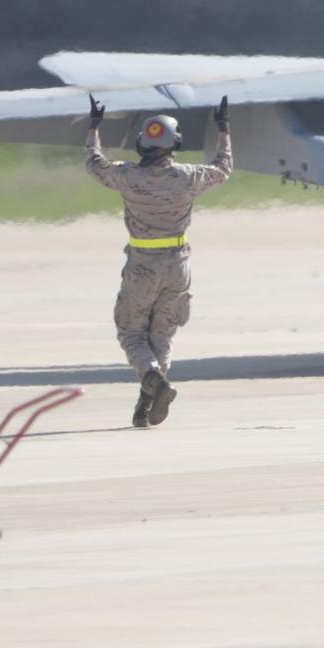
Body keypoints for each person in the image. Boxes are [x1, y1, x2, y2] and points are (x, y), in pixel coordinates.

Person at [85, 94, 233, 427]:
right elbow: (224, 168)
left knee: (132, 334)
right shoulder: (188, 176)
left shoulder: (127, 176)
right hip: (178, 267)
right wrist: (223, 129)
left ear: (142, 144)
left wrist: (94, 127)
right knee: (162, 336)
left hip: (141, 267)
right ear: (174, 142)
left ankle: (152, 378)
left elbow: (94, 164)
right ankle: (146, 405)